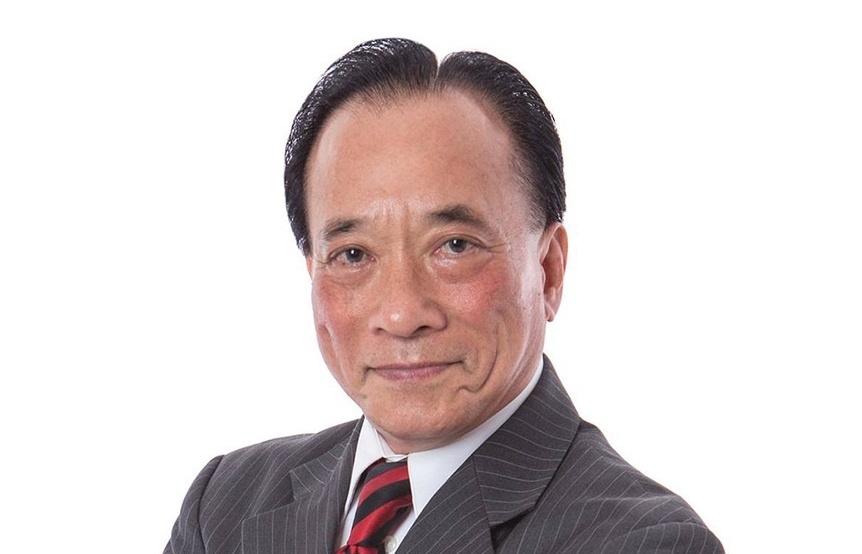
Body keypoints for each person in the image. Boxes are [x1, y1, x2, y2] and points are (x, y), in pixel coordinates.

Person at [164, 38, 723, 554]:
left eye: (454, 246)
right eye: (353, 255)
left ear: (548, 270)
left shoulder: (644, 542)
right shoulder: (226, 505)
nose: (402, 314)